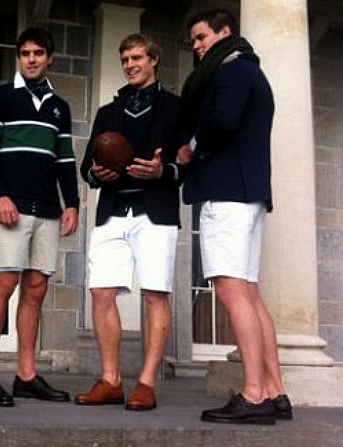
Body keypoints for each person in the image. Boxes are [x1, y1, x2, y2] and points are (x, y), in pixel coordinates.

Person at [177, 9, 291, 424]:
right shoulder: (251, 72)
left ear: (226, 32)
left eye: (202, 36)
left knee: (230, 290)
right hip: (247, 192)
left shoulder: (232, 70)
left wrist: (190, 148)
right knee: (249, 291)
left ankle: (254, 395)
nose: (197, 45)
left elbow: (221, 122)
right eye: (193, 40)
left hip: (226, 191)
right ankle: (276, 391)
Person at [73, 34, 182, 412]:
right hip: (112, 211)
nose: (130, 64)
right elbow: (86, 168)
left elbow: (188, 163)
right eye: (125, 59)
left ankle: (147, 383)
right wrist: (97, 174)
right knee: (100, 293)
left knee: (155, 294)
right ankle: (111, 380)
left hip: (157, 212)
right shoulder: (108, 112)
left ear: (154, 59)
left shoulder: (176, 108)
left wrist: (162, 170)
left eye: (137, 58)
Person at [0, 27, 79, 407]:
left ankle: (26, 375)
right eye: (25, 53)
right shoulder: (0, 98)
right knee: (3, 285)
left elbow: (65, 160)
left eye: (38, 53)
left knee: (36, 289)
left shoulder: (59, 107)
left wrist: (72, 204)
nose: (31, 59)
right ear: (18, 57)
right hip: (11, 208)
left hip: (48, 210)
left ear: (50, 58)